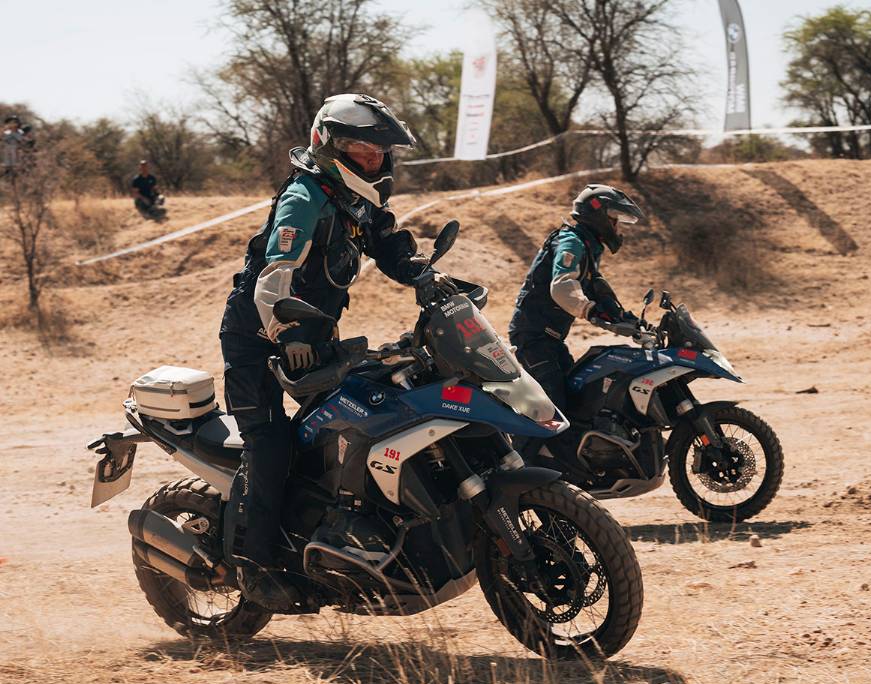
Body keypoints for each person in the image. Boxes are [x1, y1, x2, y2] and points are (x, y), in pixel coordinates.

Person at [218, 93, 453, 609]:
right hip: (259, 338)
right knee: (272, 443)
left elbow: (389, 247)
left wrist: (428, 277)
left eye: (379, 153)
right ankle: (254, 568)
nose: (375, 161)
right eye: (364, 151)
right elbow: (272, 279)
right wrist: (287, 331)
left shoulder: (354, 201)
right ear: (332, 146)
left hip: (311, 335)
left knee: (359, 417)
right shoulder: (305, 198)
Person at [507, 184, 646, 422]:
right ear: (599, 215)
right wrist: (588, 310)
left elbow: (599, 292)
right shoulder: (571, 242)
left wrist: (627, 320)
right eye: (614, 220)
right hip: (532, 337)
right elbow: (561, 287)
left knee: (578, 400)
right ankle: (525, 457)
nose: (617, 227)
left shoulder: (586, 246)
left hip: (550, 339)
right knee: (551, 411)